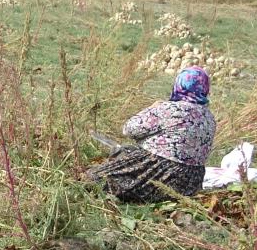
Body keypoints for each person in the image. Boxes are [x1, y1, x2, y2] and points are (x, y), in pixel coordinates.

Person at [89, 66, 216, 203]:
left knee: (94, 178)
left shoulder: (170, 109)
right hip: (191, 183)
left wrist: (153, 107)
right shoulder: (209, 117)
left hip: (161, 170)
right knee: (127, 151)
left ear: (179, 85)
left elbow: (129, 129)